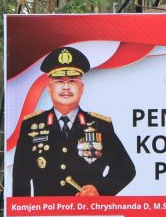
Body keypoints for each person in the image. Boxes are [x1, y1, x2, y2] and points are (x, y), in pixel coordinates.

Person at [12, 46, 136, 197]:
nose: (66, 87)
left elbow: (126, 169)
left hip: (89, 216)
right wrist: (23, 216)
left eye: (72, 81)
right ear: (49, 89)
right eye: (59, 81)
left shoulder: (100, 126)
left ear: (81, 88)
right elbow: (20, 179)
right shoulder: (31, 127)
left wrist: (100, 190)